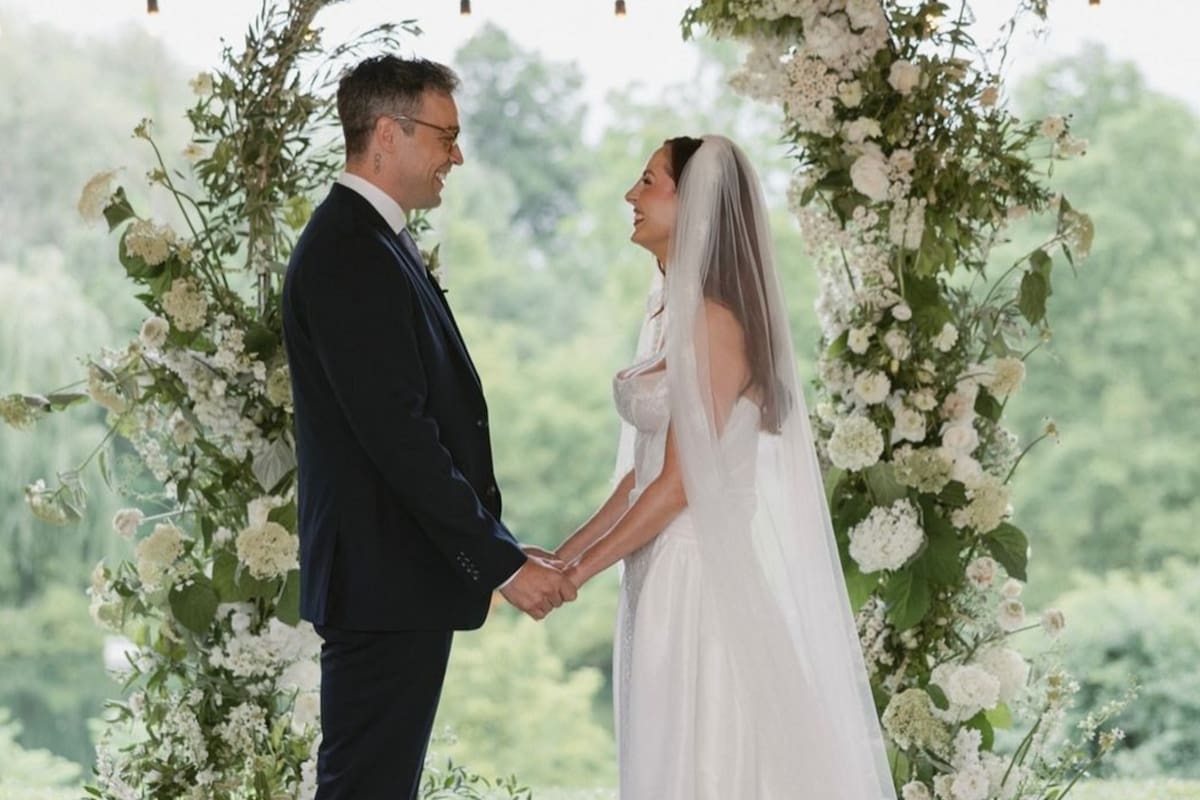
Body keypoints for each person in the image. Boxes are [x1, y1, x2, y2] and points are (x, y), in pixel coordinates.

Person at [554, 135, 898, 799]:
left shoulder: (712, 323)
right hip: (658, 570)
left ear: (696, 204)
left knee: (703, 758)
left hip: (696, 577)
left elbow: (681, 485)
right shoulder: (676, 315)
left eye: (648, 181)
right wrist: (561, 555)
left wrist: (575, 575)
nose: (630, 194)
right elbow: (642, 475)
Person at [281, 55, 576, 800]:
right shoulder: (350, 250)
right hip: (381, 585)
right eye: (446, 136)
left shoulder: (373, 239)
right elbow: (400, 436)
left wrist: (498, 544)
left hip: (393, 579)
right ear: (388, 133)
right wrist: (501, 565)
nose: (458, 156)